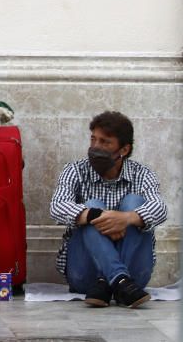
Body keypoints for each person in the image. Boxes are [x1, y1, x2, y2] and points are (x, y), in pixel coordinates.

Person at [49, 111, 168, 308]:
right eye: (93, 139)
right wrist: (99, 216)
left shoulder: (143, 174)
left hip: (134, 277)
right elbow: (57, 207)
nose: (95, 147)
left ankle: (109, 280)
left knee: (134, 203)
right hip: (86, 277)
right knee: (92, 206)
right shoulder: (75, 170)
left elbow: (160, 209)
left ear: (124, 149)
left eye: (105, 142)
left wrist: (127, 218)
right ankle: (119, 279)